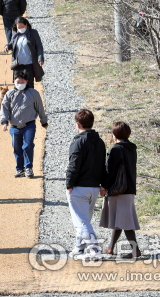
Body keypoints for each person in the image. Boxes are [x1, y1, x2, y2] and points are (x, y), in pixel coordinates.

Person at [66, 109, 106, 259]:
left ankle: (94, 249)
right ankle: (79, 247)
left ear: (78, 124)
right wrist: (103, 184)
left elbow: (73, 165)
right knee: (85, 219)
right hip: (94, 187)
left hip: (79, 187)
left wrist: (69, 184)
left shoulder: (78, 142)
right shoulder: (100, 142)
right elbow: (103, 165)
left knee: (81, 222)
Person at [100, 121, 141, 258]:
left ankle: (135, 250)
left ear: (114, 134)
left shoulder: (116, 150)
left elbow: (111, 173)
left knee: (126, 220)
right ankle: (110, 247)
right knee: (120, 218)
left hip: (118, 190)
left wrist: (104, 186)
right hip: (128, 188)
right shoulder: (132, 149)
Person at [0, 70, 48, 178]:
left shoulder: (33, 93)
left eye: (22, 81)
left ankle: (28, 168)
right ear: (14, 81)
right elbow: (4, 109)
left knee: (28, 145)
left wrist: (43, 121)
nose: (20, 84)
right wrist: (4, 122)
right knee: (17, 148)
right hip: (15, 127)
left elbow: (40, 108)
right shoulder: (9, 94)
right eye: (18, 81)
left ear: (26, 81)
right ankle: (19, 169)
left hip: (29, 125)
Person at [5, 16, 44, 88]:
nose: (20, 29)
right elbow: (11, 44)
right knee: (17, 85)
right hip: (17, 64)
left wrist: (40, 58)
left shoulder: (33, 33)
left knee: (29, 85)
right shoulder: (15, 33)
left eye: (22, 27)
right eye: (18, 27)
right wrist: (7, 46)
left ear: (26, 24)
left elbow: (39, 46)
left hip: (29, 64)